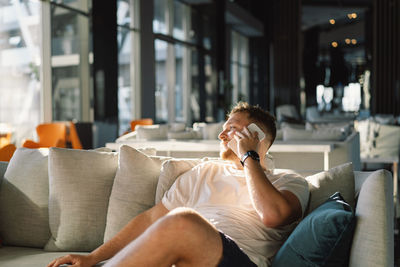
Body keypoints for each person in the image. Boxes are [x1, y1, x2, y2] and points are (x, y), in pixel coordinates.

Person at [47, 102, 309, 267]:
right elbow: (151, 221)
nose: (221, 135)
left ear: (255, 136)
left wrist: (248, 155)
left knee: (183, 220)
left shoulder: (289, 181)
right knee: (179, 222)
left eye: (231, 129)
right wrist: (93, 257)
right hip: (184, 256)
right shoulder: (203, 172)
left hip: (237, 259)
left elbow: (273, 215)